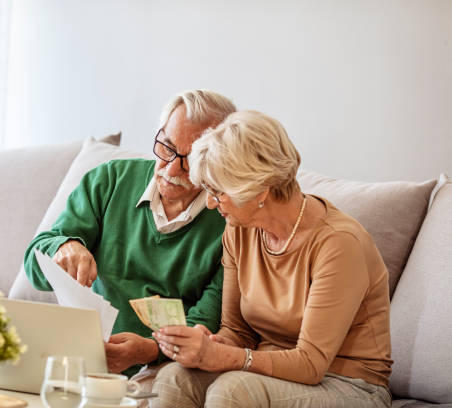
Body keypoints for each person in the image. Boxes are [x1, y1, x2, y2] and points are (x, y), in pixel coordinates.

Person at [151, 110, 393, 407]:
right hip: (267, 372)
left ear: (257, 189)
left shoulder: (339, 244)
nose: (211, 203)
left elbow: (311, 363)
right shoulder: (239, 231)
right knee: (174, 377)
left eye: (218, 192)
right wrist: (210, 345)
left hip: (348, 384)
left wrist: (227, 358)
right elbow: (237, 331)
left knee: (233, 391)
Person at [23, 90, 237, 380]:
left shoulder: (230, 222)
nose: (172, 168)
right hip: (79, 353)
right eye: (166, 147)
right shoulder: (110, 179)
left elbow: (208, 321)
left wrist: (150, 350)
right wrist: (64, 247)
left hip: (161, 367)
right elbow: (34, 262)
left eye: (191, 159)